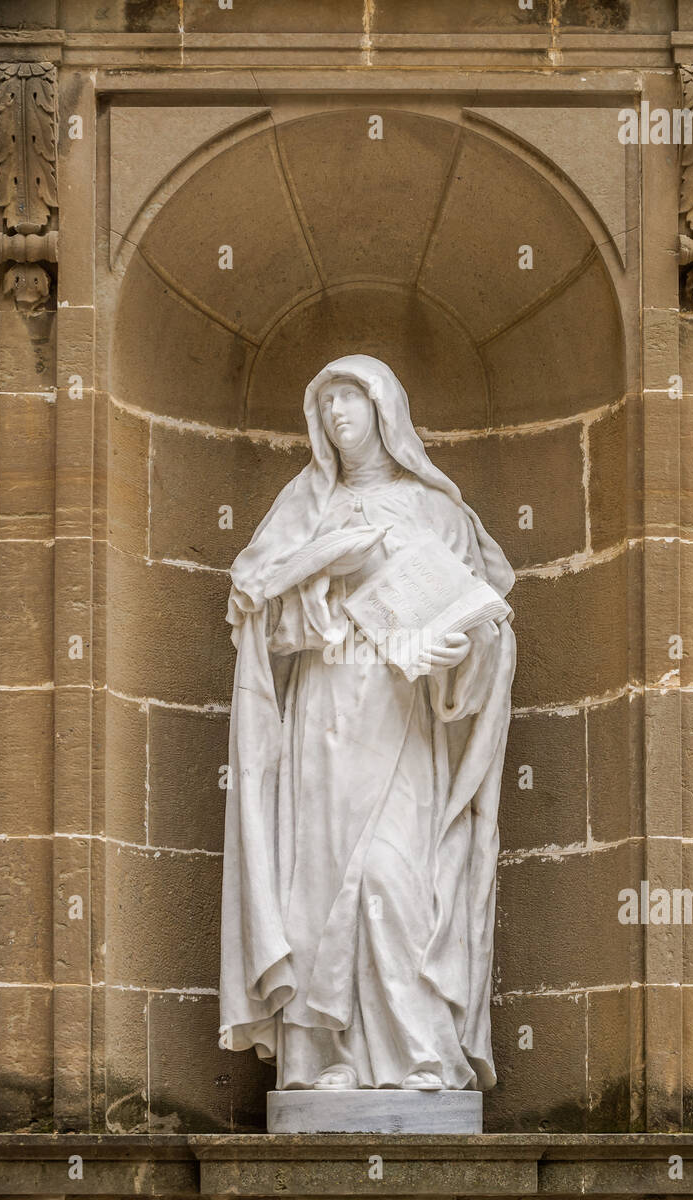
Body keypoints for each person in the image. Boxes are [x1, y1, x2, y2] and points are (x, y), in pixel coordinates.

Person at [219, 355, 516, 1091]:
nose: (337, 414)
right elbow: (258, 613)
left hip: (402, 712)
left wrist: (458, 649)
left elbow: (482, 622)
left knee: (394, 874)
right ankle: (330, 1059)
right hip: (323, 708)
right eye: (325, 404)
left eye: (351, 398)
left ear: (386, 409)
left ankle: (423, 1055)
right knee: (316, 877)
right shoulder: (306, 503)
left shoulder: (435, 510)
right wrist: (319, 565)